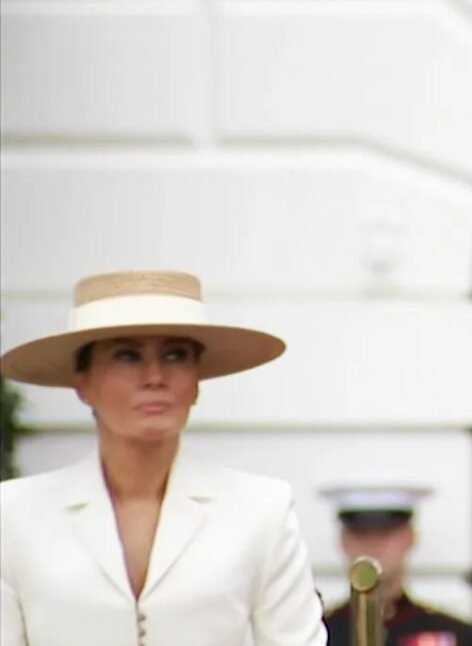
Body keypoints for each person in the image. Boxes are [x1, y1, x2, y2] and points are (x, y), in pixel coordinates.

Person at [0, 270, 327, 646]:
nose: (155, 376)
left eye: (175, 355)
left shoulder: (261, 509)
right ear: (83, 382)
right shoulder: (14, 514)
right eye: (127, 356)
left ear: (196, 382)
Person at [320, 484, 472, 646]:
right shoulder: (317, 635)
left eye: (386, 532)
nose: (374, 544)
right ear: (343, 541)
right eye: (361, 533)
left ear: (410, 537)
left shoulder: (457, 637)